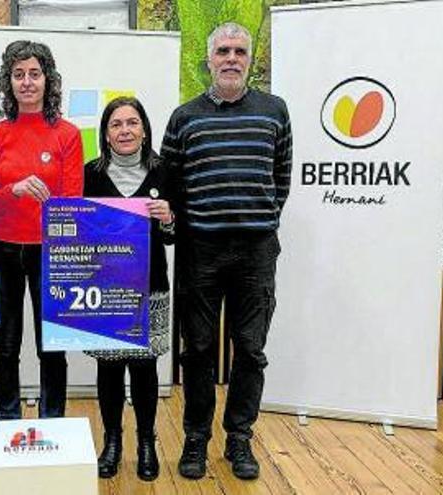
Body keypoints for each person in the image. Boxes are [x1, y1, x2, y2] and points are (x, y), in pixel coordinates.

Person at [160, 23, 292, 481]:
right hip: (201, 251)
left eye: (239, 51)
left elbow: (282, 178)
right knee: (196, 349)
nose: (231, 58)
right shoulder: (184, 117)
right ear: (209, 59)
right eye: (223, 51)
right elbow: (169, 185)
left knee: (251, 351)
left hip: (256, 252)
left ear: (249, 60)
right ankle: (196, 437)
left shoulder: (275, 112)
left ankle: (239, 438)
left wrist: (258, 218)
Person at [0, 40, 83, 420]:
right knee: (5, 346)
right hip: (1, 248)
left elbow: (71, 201)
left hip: (49, 251)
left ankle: (51, 419)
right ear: (8, 82)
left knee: (50, 345)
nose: (27, 82)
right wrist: (15, 190)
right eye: (18, 74)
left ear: (48, 80)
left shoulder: (67, 135)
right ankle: (8, 421)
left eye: (34, 74)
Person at [84, 97, 174, 481]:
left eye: (132, 123)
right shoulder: (89, 174)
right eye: (117, 124)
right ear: (106, 133)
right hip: (104, 289)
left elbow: (172, 237)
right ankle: (113, 442)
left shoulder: (164, 172)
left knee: (144, 368)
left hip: (151, 284)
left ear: (144, 129)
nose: (125, 130)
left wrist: (169, 217)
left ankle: (146, 442)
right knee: (108, 366)